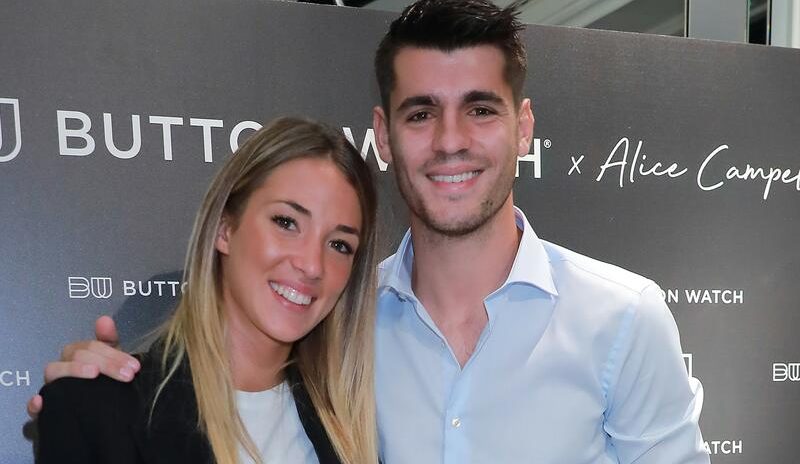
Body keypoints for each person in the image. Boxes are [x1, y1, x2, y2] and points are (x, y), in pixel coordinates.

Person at [31, 1, 709, 462]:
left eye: (479, 110)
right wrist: (90, 397)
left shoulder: (624, 320)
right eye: (421, 113)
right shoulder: (338, 334)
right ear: (383, 134)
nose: (450, 140)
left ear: (523, 126)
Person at [35, 117, 379, 464]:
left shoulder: (359, 431)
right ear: (224, 229)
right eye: (286, 222)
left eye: (339, 245)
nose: (312, 265)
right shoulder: (98, 413)